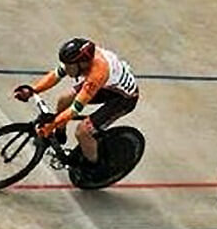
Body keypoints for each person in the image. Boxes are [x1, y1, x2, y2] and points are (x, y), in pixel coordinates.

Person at [12, 37, 139, 167]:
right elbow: (56, 75)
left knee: (82, 131)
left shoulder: (97, 73)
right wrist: (33, 90)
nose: (66, 68)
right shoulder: (80, 60)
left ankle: (94, 166)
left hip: (123, 98)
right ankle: (60, 134)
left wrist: (51, 126)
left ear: (82, 63)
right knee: (64, 99)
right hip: (107, 85)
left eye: (69, 65)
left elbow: (74, 110)